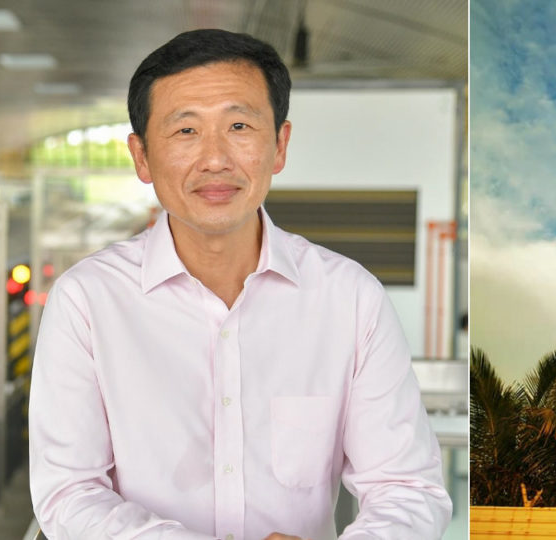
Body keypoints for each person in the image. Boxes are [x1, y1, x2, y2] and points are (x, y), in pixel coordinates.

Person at [28, 29, 452, 540]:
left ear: (279, 145)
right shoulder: (87, 301)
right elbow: (68, 494)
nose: (215, 158)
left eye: (239, 125)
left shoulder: (349, 298)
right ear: (141, 157)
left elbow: (408, 488)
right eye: (185, 131)